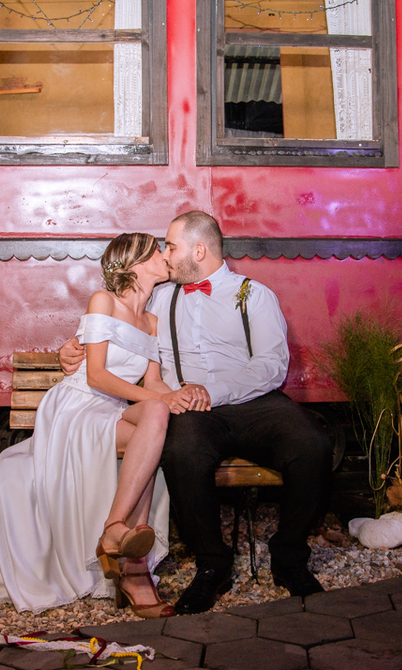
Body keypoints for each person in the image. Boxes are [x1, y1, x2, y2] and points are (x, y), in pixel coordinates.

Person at [60, 211, 333, 614]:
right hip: (191, 409)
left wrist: (213, 391)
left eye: (170, 247)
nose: (165, 256)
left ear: (199, 250)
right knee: (183, 451)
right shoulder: (160, 295)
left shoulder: (253, 295)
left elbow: (272, 364)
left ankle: (289, 555)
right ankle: (212, 565)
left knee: (313, 444)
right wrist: (70, 347)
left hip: (254, 401)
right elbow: (117, 318)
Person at [0, 233, 176, 618]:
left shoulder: (152, 321)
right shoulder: (104, 301)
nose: (165, 255)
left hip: (113, 407)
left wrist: (176, 396)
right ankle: (135, 573)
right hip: (77, 405)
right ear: (135, 262)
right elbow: (96, 376)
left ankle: (112, 528)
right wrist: (159, 399)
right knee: (154, 413)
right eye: (158, 250)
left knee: (157, 414)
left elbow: (153, 386)